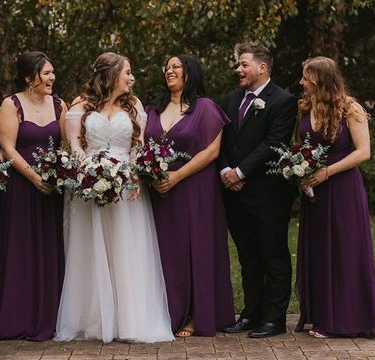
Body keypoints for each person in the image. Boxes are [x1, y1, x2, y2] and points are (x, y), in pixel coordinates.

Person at [55, 53, 173, 343]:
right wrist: (90, 174)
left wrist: (131, 175)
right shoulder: (80, 106)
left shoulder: (133, 105)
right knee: (93, 248)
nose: (131, 78)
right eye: (127, 72)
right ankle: (96, 321)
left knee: (125, 247)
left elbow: (138, 146)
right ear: (110, 75)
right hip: (89, 186)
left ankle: (129, 321)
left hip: (127, 188)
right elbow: (74, 147)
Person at [295, 57, 375, 338]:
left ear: (321, 79)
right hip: (315, 190)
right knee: (320, 250)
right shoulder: (306, 107)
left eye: (306, 77)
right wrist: (299, 169)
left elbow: (363, 152)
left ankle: (346, 319)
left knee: (344, 250)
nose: (301, 82)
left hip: (343, 187)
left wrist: (327, 172)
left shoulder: (350, 108)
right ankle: (322, 315)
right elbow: (301, 145)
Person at [146, 55, 234, 336]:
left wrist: (177, 176)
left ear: (189, 73)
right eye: (166, 66)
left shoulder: (205, 107)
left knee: (198, 247)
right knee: (167, 251)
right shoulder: (154, 108)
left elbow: (212, 151)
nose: (169, 70)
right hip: (161, 191)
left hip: (196, 188)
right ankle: (171, 311)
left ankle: (199, 314)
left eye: (175, 66)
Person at [219, 43, 296, 339]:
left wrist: (240, 171)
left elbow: (274, 143)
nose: (238, 70)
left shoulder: (283, 100)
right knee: (248, 255)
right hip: (233, 192)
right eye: (238, 65)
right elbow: (222, 140)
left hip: (268, 193)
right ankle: (251, 313)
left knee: (272, 255)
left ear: (262, 67)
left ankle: (275, 319)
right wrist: (225, 171)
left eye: (243, 65)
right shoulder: (230, 100)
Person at [0, 51, 66, 340]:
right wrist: (35, 177)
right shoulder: (11, 104)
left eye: (52, 73)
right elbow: (8, 148)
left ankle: (50, 317)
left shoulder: (59, 104)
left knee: (51, 248)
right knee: (22, 249)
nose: (51, 78)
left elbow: (65, 146)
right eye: (46, 73)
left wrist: (59, 171)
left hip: (52, 188)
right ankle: (20, 318)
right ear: (29, 77)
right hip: (22, 186)